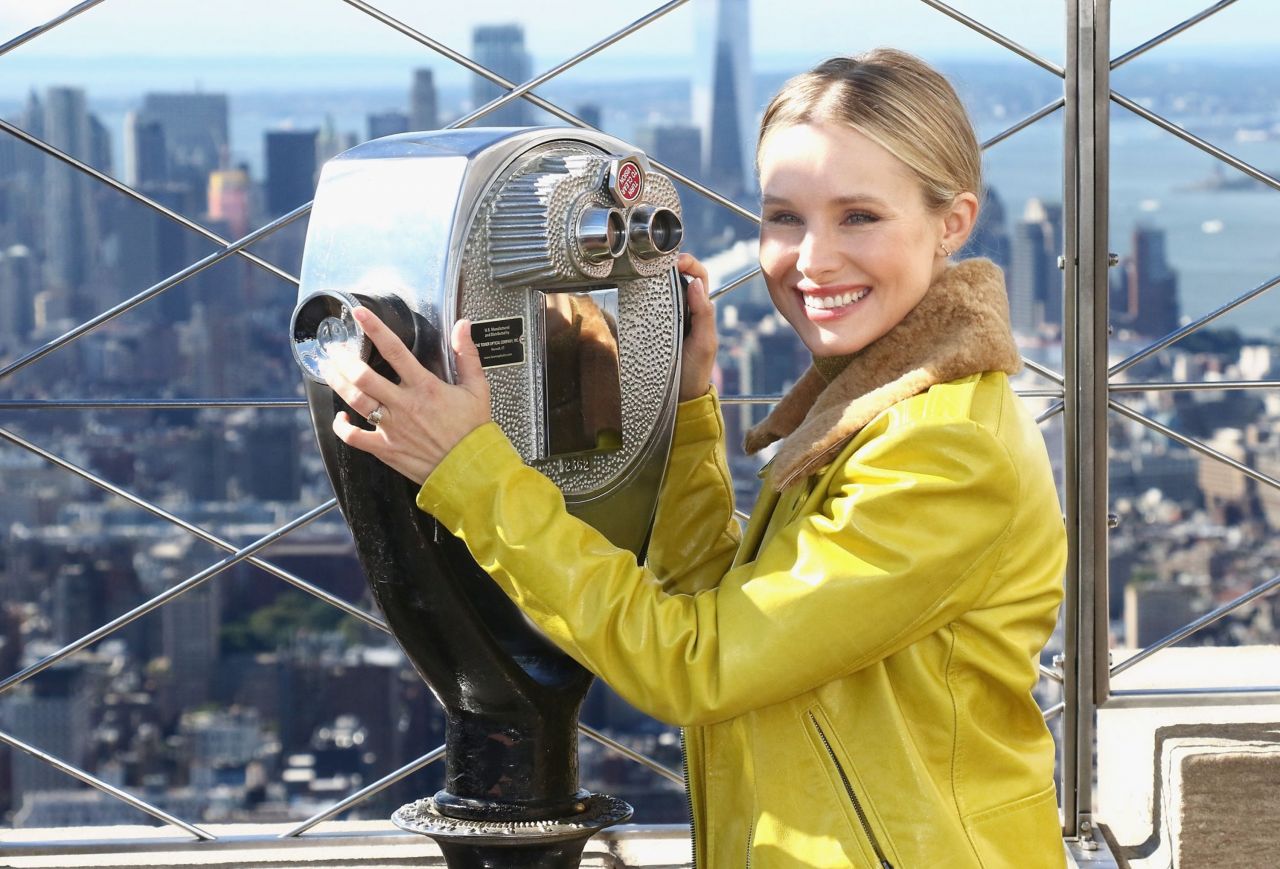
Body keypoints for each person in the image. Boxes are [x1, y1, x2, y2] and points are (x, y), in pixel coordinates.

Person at [322, 48, 1067, 869]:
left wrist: (470, 469)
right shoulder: (877, 407)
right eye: (784, 217)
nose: (812, 259)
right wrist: (679, 415)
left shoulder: (942, 449)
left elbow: (696, 664)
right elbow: (730, 610)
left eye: (859, 216)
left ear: (953, 221)